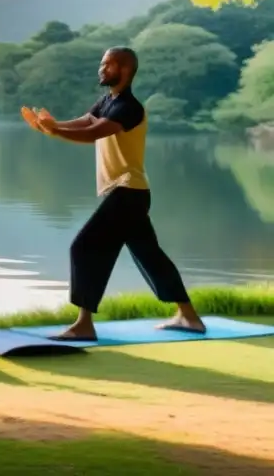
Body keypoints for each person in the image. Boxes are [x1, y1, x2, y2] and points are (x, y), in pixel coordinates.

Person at [21, 46, 206, 341]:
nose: (101, 69)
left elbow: (95, 133)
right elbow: (85, 122)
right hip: (129, 193)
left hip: (127, 192)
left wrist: (55, 131)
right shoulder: (109, 100)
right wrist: (52, 126)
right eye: (102, 64)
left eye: (107, 65)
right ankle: (189, 316)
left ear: (124, 69)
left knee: (83, 247)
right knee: (150, 256)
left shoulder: (129, 107)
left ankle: (83, 324)